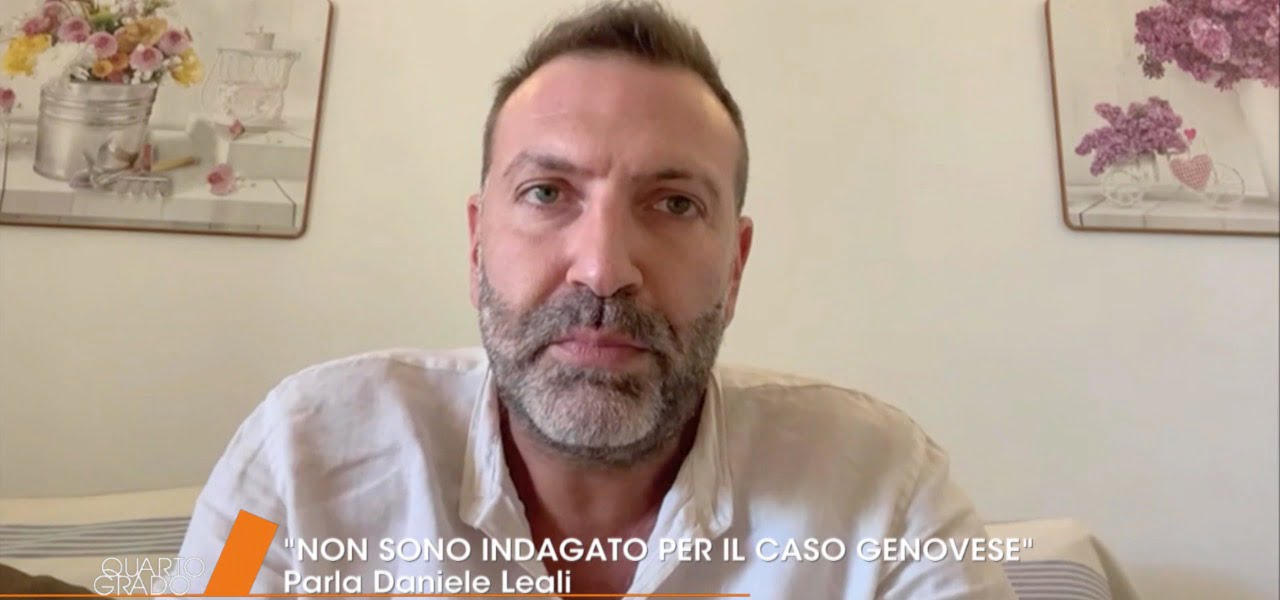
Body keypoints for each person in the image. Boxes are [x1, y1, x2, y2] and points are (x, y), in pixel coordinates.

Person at [176, 1, 1017, 597]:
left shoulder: (884, 494)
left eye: (674, 203)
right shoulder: (298, 459)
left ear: (735, 266)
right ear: (476, 242)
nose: (604, 269)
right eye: (547, 193)